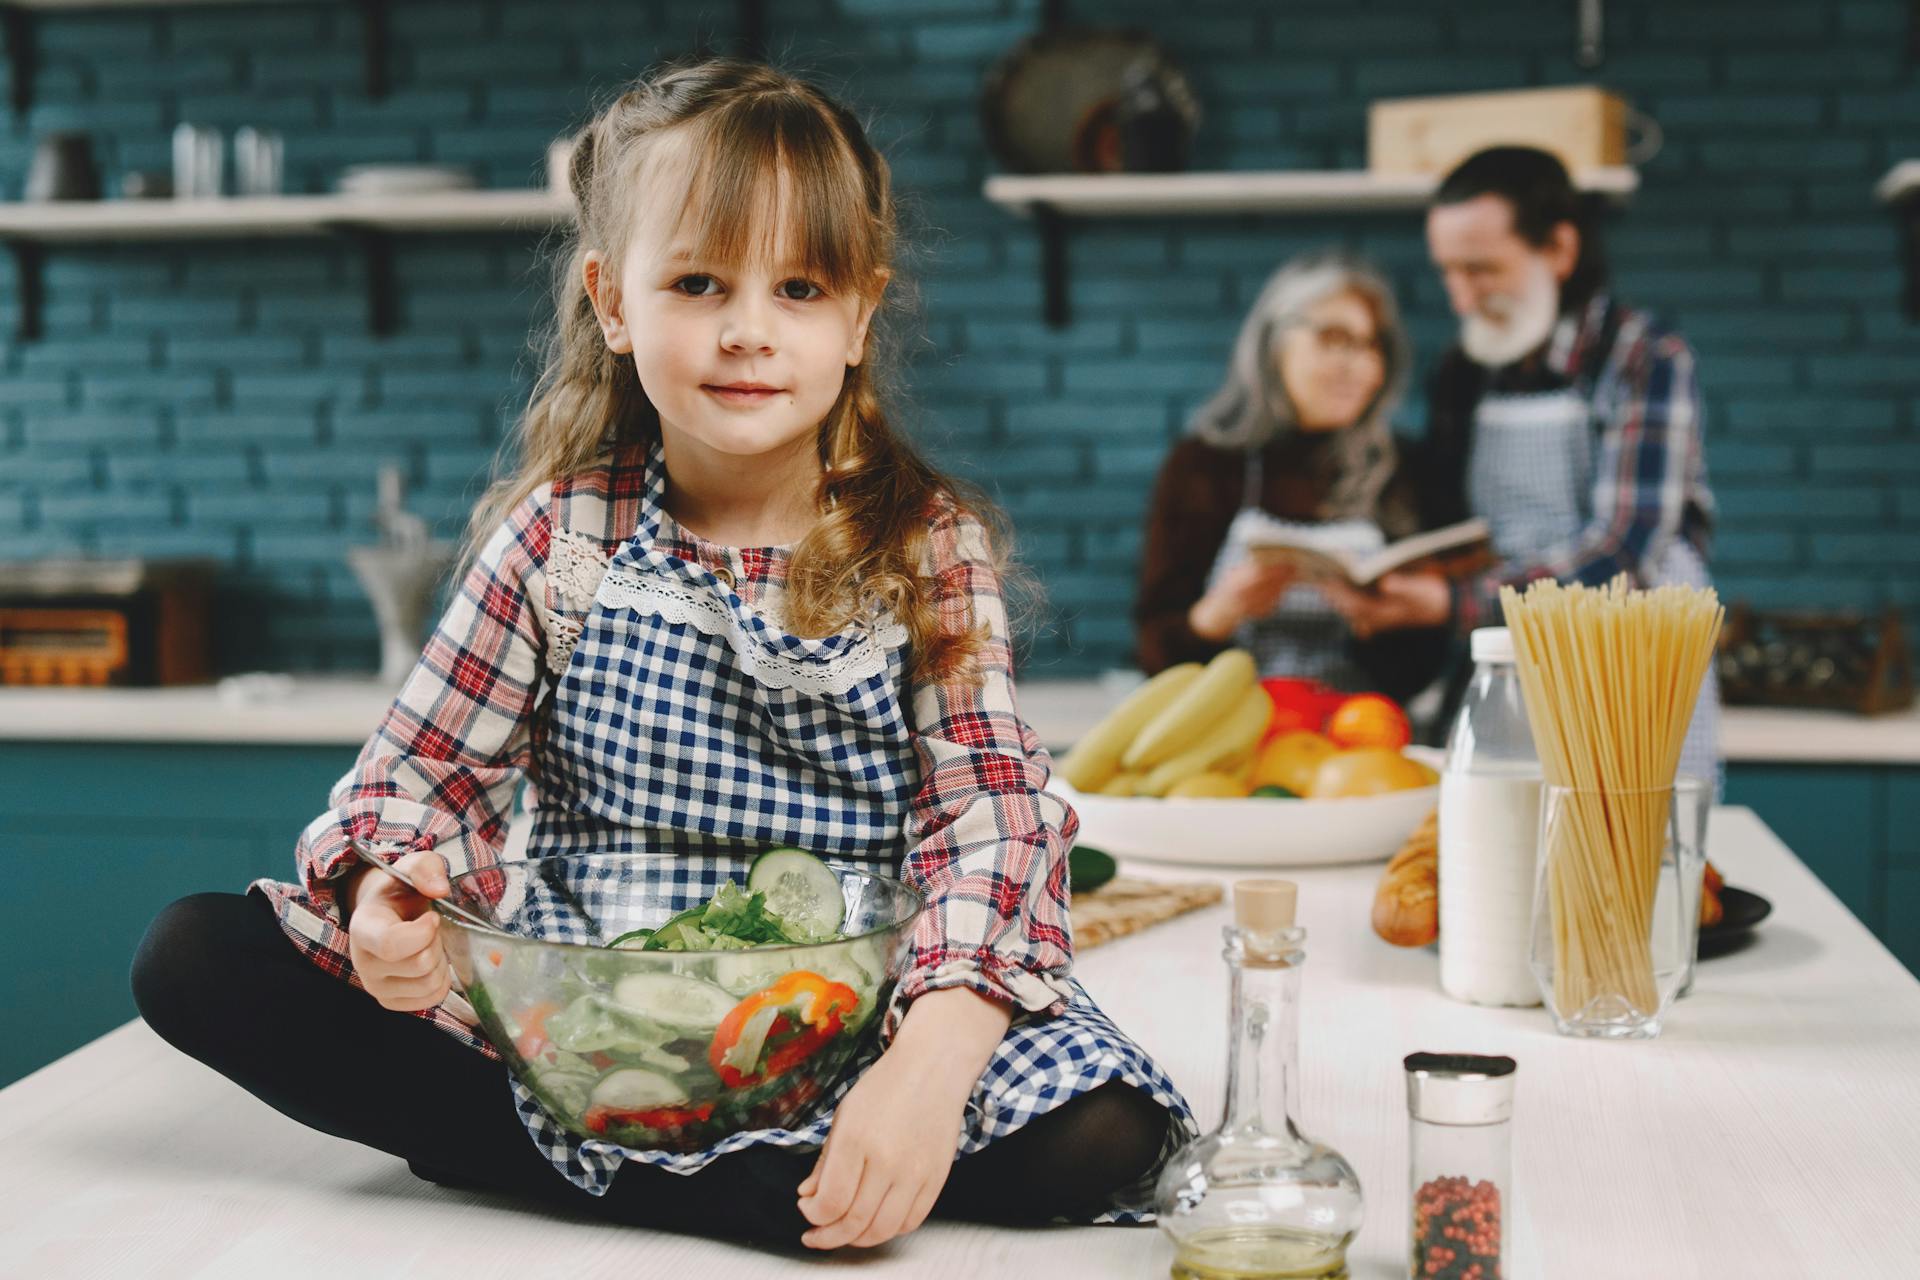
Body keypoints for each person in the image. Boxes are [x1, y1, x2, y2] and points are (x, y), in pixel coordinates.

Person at [130, 59, 1190, 1253]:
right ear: (613, 300)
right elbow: (415, 782)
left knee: (1105, 1129)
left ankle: (598, 1157)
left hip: (849, 1013)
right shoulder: (558, 535)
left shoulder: (922, 543)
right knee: (194, 954)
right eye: (697, 280)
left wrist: (934, 1061)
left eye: (799, 287)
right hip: (587, 1007)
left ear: (858, 317)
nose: (747, 329)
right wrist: (391, 901)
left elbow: (994, 818)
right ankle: (722, 1187)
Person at [1324, 146, 1719, 783]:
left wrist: (1448, 602)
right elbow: (1461, 530)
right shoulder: (1462, 373)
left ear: (1559, 250)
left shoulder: (1643, 360)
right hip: (1505, 662)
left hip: (1627, 674)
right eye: (1449, 272)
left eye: (1481, 270)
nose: (1461, 298)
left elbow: (1623, 554)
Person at [1133, 251, 1445, 702]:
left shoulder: (1403, 467)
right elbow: (1154, 648)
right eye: (1333, 338)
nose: (1355, 364)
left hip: (1364, 735)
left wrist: (1384, 618)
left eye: (1371, 345)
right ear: (1274, 340)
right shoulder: (1204, 465)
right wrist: (1215, 616)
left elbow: (1424, 663)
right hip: (1230, 730)